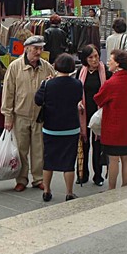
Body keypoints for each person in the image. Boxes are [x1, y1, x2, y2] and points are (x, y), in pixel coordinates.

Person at [1, 35, 56, 192]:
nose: (38, 52)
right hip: (21, 115)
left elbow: (54, 87)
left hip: (40, 116)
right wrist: (8, 116)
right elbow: (8, 92)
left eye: (40, 49)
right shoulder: (15, 67)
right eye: (35, 49)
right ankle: (22, 179)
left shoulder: (46, 67)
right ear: (26, 49)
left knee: (39, 149)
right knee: (21, 150)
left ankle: (38, 178)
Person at [35, 54, 83, 202]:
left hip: (51, 127)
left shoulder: (48, 84)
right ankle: (69, 192)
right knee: (69, 162)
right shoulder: (77, 84)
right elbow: (77, 99)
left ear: (55, 66)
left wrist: (44, 84)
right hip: (71, 127)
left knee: (48, 160)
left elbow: (38, 100)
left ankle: (47, 191)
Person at [93, 49, 127, 190]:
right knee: (126, 157)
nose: (108, 62)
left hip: (113, 126)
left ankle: (111, 189)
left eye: (111, 60)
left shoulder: (111, 82)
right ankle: (125, 186)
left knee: (113, 159)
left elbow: (98, 99)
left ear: (118, 64)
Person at [77, 44, 111, 186]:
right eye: (91, 57)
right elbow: (77, 89)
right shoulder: (81, 71)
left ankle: (98, 176)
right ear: (85, 59)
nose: (94, 60)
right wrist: (78, 102)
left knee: (98, 145)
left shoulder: (105, 71)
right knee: (84, 145)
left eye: (96, 56)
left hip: (100, 113)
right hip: (84, 113)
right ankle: (82, 174)